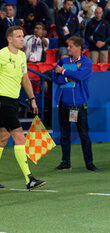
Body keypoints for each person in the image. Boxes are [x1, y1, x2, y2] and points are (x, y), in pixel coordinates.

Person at [0, 26, 46, 190]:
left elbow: (25, 79)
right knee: (20, 138)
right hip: (2, 102)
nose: (22, 39)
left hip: (14, 102)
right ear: (10, 39)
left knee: (1, 140)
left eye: (23, 36)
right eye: (19, 36)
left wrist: (32, 99)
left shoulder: (21, 56)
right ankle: (29, 179)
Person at [53, 36, 98, 172]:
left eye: (71, 46)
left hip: (78, 104)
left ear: (79, 48)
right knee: (65, 134)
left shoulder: (86, 62)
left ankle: (89, 163)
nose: (68, 48)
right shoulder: (63, 60)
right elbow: (55, 77)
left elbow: (80, 76)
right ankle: (65, 162)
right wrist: (67, 77)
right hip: (63, 104)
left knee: (84, 134)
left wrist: (64, 72)